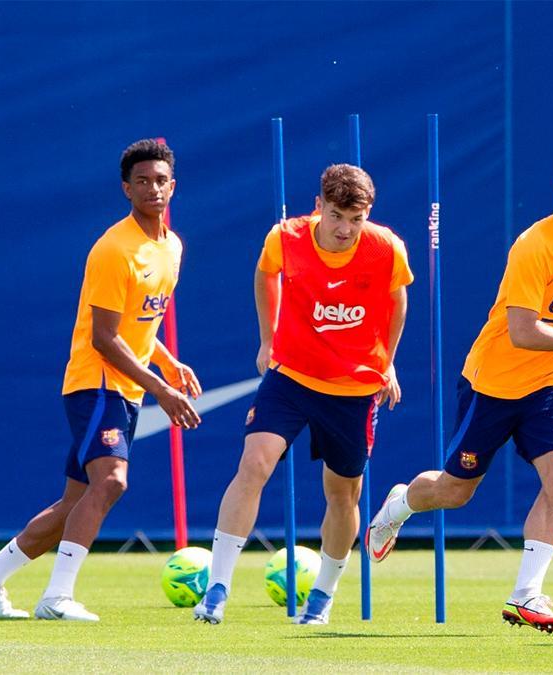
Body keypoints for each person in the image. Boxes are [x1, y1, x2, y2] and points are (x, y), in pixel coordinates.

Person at [365, 144, 553, 633]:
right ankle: (397, 506)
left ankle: (526, 594)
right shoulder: (535, 245)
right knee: (454, 492)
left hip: (546, 383)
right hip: (494, 382)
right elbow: (525, 330)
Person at [0, 140, 202, 622]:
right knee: (111, 482)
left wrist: (168, 362)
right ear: (126, 189)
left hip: (126, 387)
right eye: (142, 181)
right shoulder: (114, 249)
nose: (152, 189)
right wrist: (161, 388)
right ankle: (57, 597)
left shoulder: (171, 247)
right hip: (96, 383)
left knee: (76, 501)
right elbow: (104, 339)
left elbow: (140, 324)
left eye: (160, 180)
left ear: (172, 186)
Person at [193, 164, 411, 626]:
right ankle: (216, 590)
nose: (346, 229)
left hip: (352, 388)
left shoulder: (387, 247)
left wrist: (387, 360)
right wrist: (267, 339)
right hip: (290, 375)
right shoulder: (285, 237)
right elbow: (264, 273)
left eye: (357, 218)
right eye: (336, 216)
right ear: (318, 207)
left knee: (342, 495)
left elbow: (398, 302)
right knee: (254, 464)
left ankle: (323, 597)